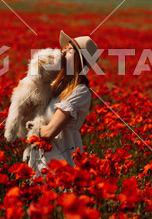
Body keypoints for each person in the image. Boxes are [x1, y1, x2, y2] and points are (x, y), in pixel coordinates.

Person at [25, 30, 100, 177]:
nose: (63, 52)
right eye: (64, 48)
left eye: (69, 50)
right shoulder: (55, 85)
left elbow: (49, 132)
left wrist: (28, 130)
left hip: (62, 157)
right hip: (41, 156)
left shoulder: (80, 91)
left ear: (80, 60)